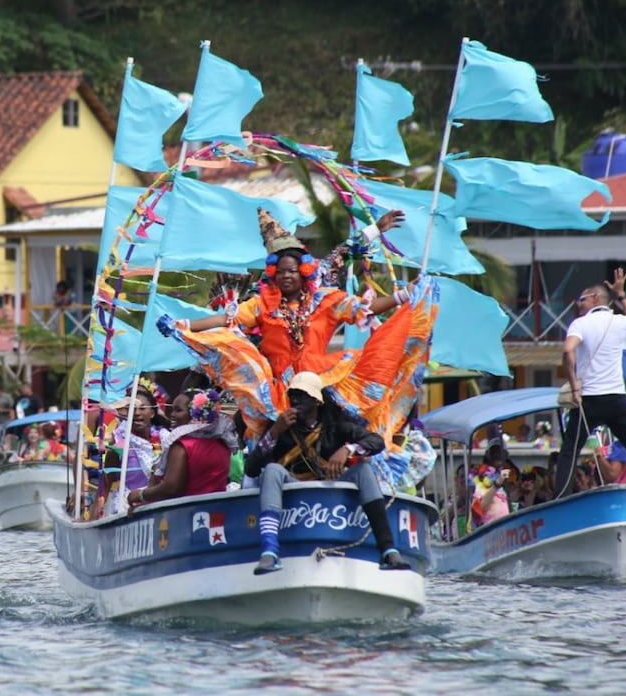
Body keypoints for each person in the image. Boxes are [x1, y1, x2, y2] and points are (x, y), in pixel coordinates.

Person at [160, 208, 435, 464]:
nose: (285, 276)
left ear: (304, 269)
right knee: (260, 436)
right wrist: (184, 324)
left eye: (291, 270)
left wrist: (401, 294)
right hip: (278, 386)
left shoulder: (324, 298)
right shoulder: (261, 303)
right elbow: (227, 319)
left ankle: (355, 462)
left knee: (343, 423)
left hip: (321, 379)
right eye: (279, 272)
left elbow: (357, 293)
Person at [241, 372, 412, 573]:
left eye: (302, 395)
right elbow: (251, 468)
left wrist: (348, 449)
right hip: (293, 484)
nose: (295, 400)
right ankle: (269, 553)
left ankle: (388, 550)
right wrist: (274, 432)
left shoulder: (336, 423)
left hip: (331, 482)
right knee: (271, 470)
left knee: (364, 470)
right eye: (293, 394)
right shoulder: (280, 425)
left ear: (316, 400)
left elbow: (377, 442)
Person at [555, 270, 626, 497]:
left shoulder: (580, 324)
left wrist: (574, 387)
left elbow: (568, 349)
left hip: (589, 400)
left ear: (595, 298)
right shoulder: (618, 322)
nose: (579, 304)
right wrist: (621, 294)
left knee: (569, 451)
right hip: (616, 399)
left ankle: (560, 498)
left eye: (581, 299)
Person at [125, 388, 233, 510]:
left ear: (195, 414)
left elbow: (172, 487)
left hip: (186, 514)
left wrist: (140, 495)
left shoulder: (182, 446)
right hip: (218, 511)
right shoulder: (223, 443)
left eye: (178, 410)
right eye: (172, 410)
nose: (172, 415)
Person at [104, 390, 161, 515]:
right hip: (125, 508)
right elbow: (105, 483)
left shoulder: (165, 438)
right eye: (132, 409)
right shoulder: (119, 440)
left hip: (157, 502)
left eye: (142, 408)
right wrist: (95, 515)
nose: (137, 413)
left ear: (152, 413)